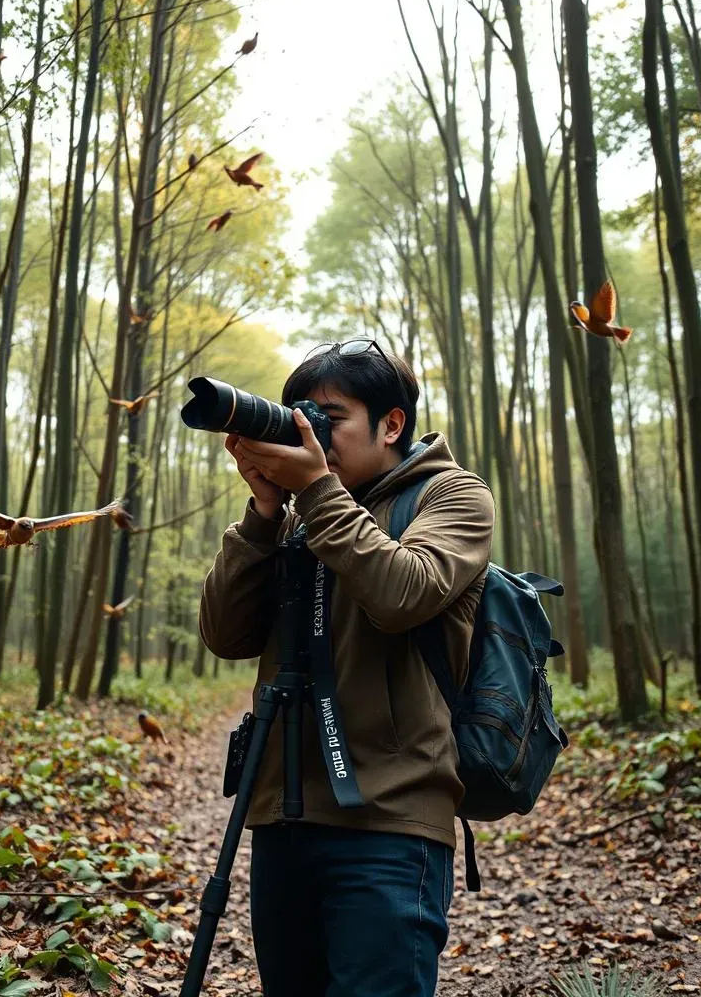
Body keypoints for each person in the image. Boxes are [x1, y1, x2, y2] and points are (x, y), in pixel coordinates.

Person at [198, 338, 495, 997]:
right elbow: (225, 634)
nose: (311, 431)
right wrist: (266, 513)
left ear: (392, 423)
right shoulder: (303, 515)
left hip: (388, 822)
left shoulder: (452, 497)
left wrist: (316, 493)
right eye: (299, 414)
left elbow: (402, 595)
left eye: (329, 416)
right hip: (283, 818)